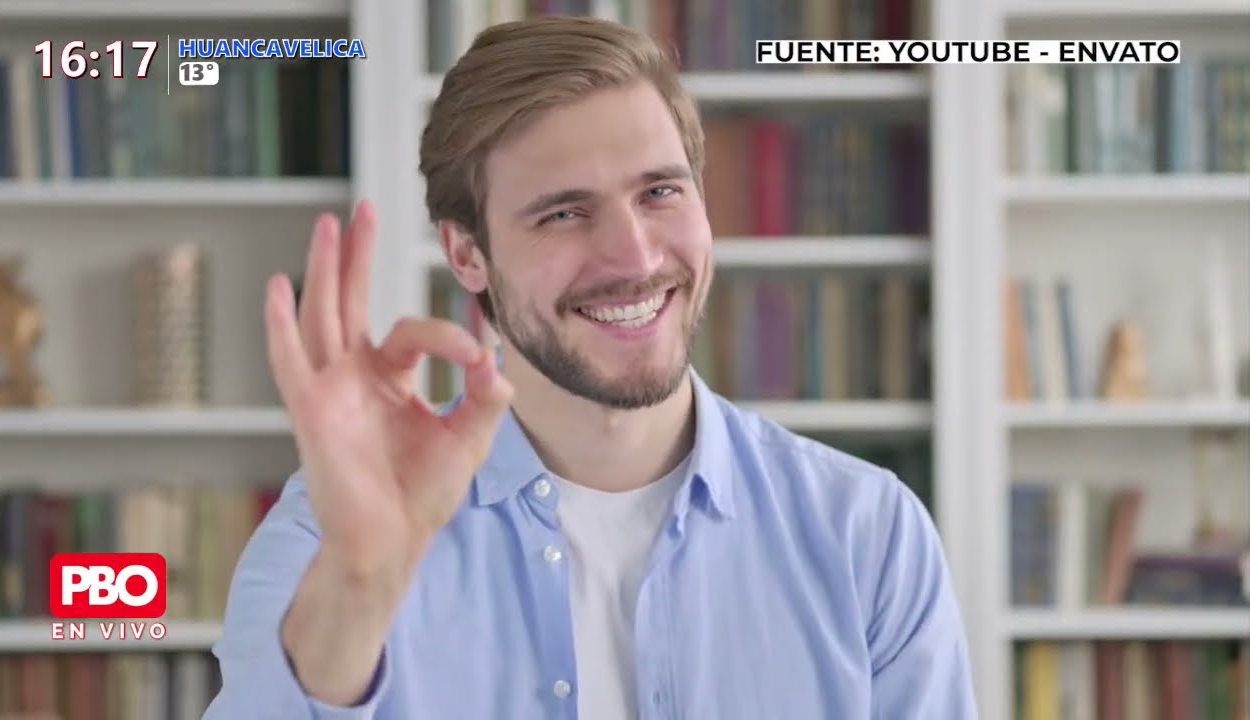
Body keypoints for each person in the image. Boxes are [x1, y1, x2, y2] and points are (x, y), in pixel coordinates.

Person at [203, 15, 977, 720]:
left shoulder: (866, 533)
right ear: (467, 254)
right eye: (564, 213)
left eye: (660, 192)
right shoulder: (328, 538)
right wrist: (360, 587)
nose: (634, 257)